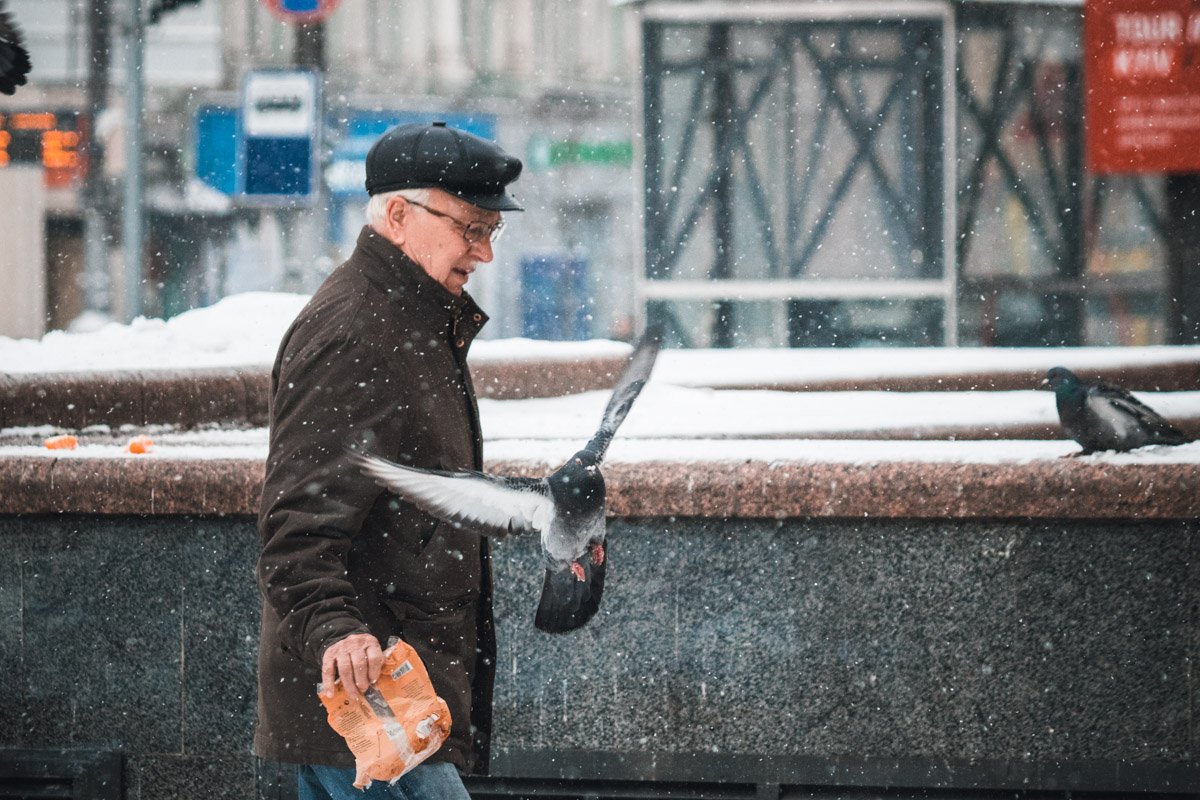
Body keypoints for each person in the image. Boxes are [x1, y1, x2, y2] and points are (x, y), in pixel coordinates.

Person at [254, 121, 523, 800]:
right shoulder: (357, 332)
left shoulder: (411, 318)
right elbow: (296, 523)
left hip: (397, 697)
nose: (484, 252)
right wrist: (336, 631)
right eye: (470, 227)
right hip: (363, 705)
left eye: (492, 229)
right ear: (398, 216)